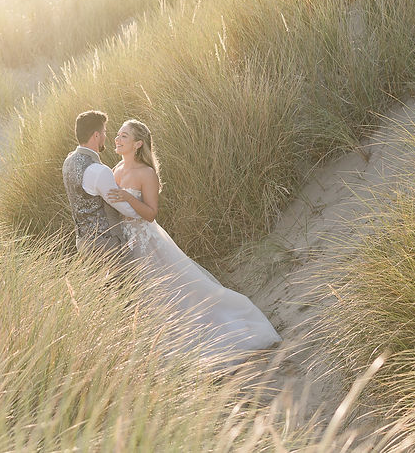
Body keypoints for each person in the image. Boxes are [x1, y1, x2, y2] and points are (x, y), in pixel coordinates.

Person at [106, 119, 281, 359]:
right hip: (127, 243)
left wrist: (127, 196)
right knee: (145, 298)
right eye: (117, 135)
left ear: (137, 144)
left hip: (149, 243)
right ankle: (161, 353)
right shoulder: (115, 169)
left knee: (178, 292)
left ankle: (221, 335)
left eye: (123, 136)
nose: (117, 139)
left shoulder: (147, 173)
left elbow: (150, 214)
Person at [61, 110, 139, 264]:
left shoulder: (68, 162)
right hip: (107, 247)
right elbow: (125, 209)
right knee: (130, 283)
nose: (105, 136)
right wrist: (144, 210)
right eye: (104, 132)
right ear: (96, 135)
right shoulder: (99, 171)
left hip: (83, 244)